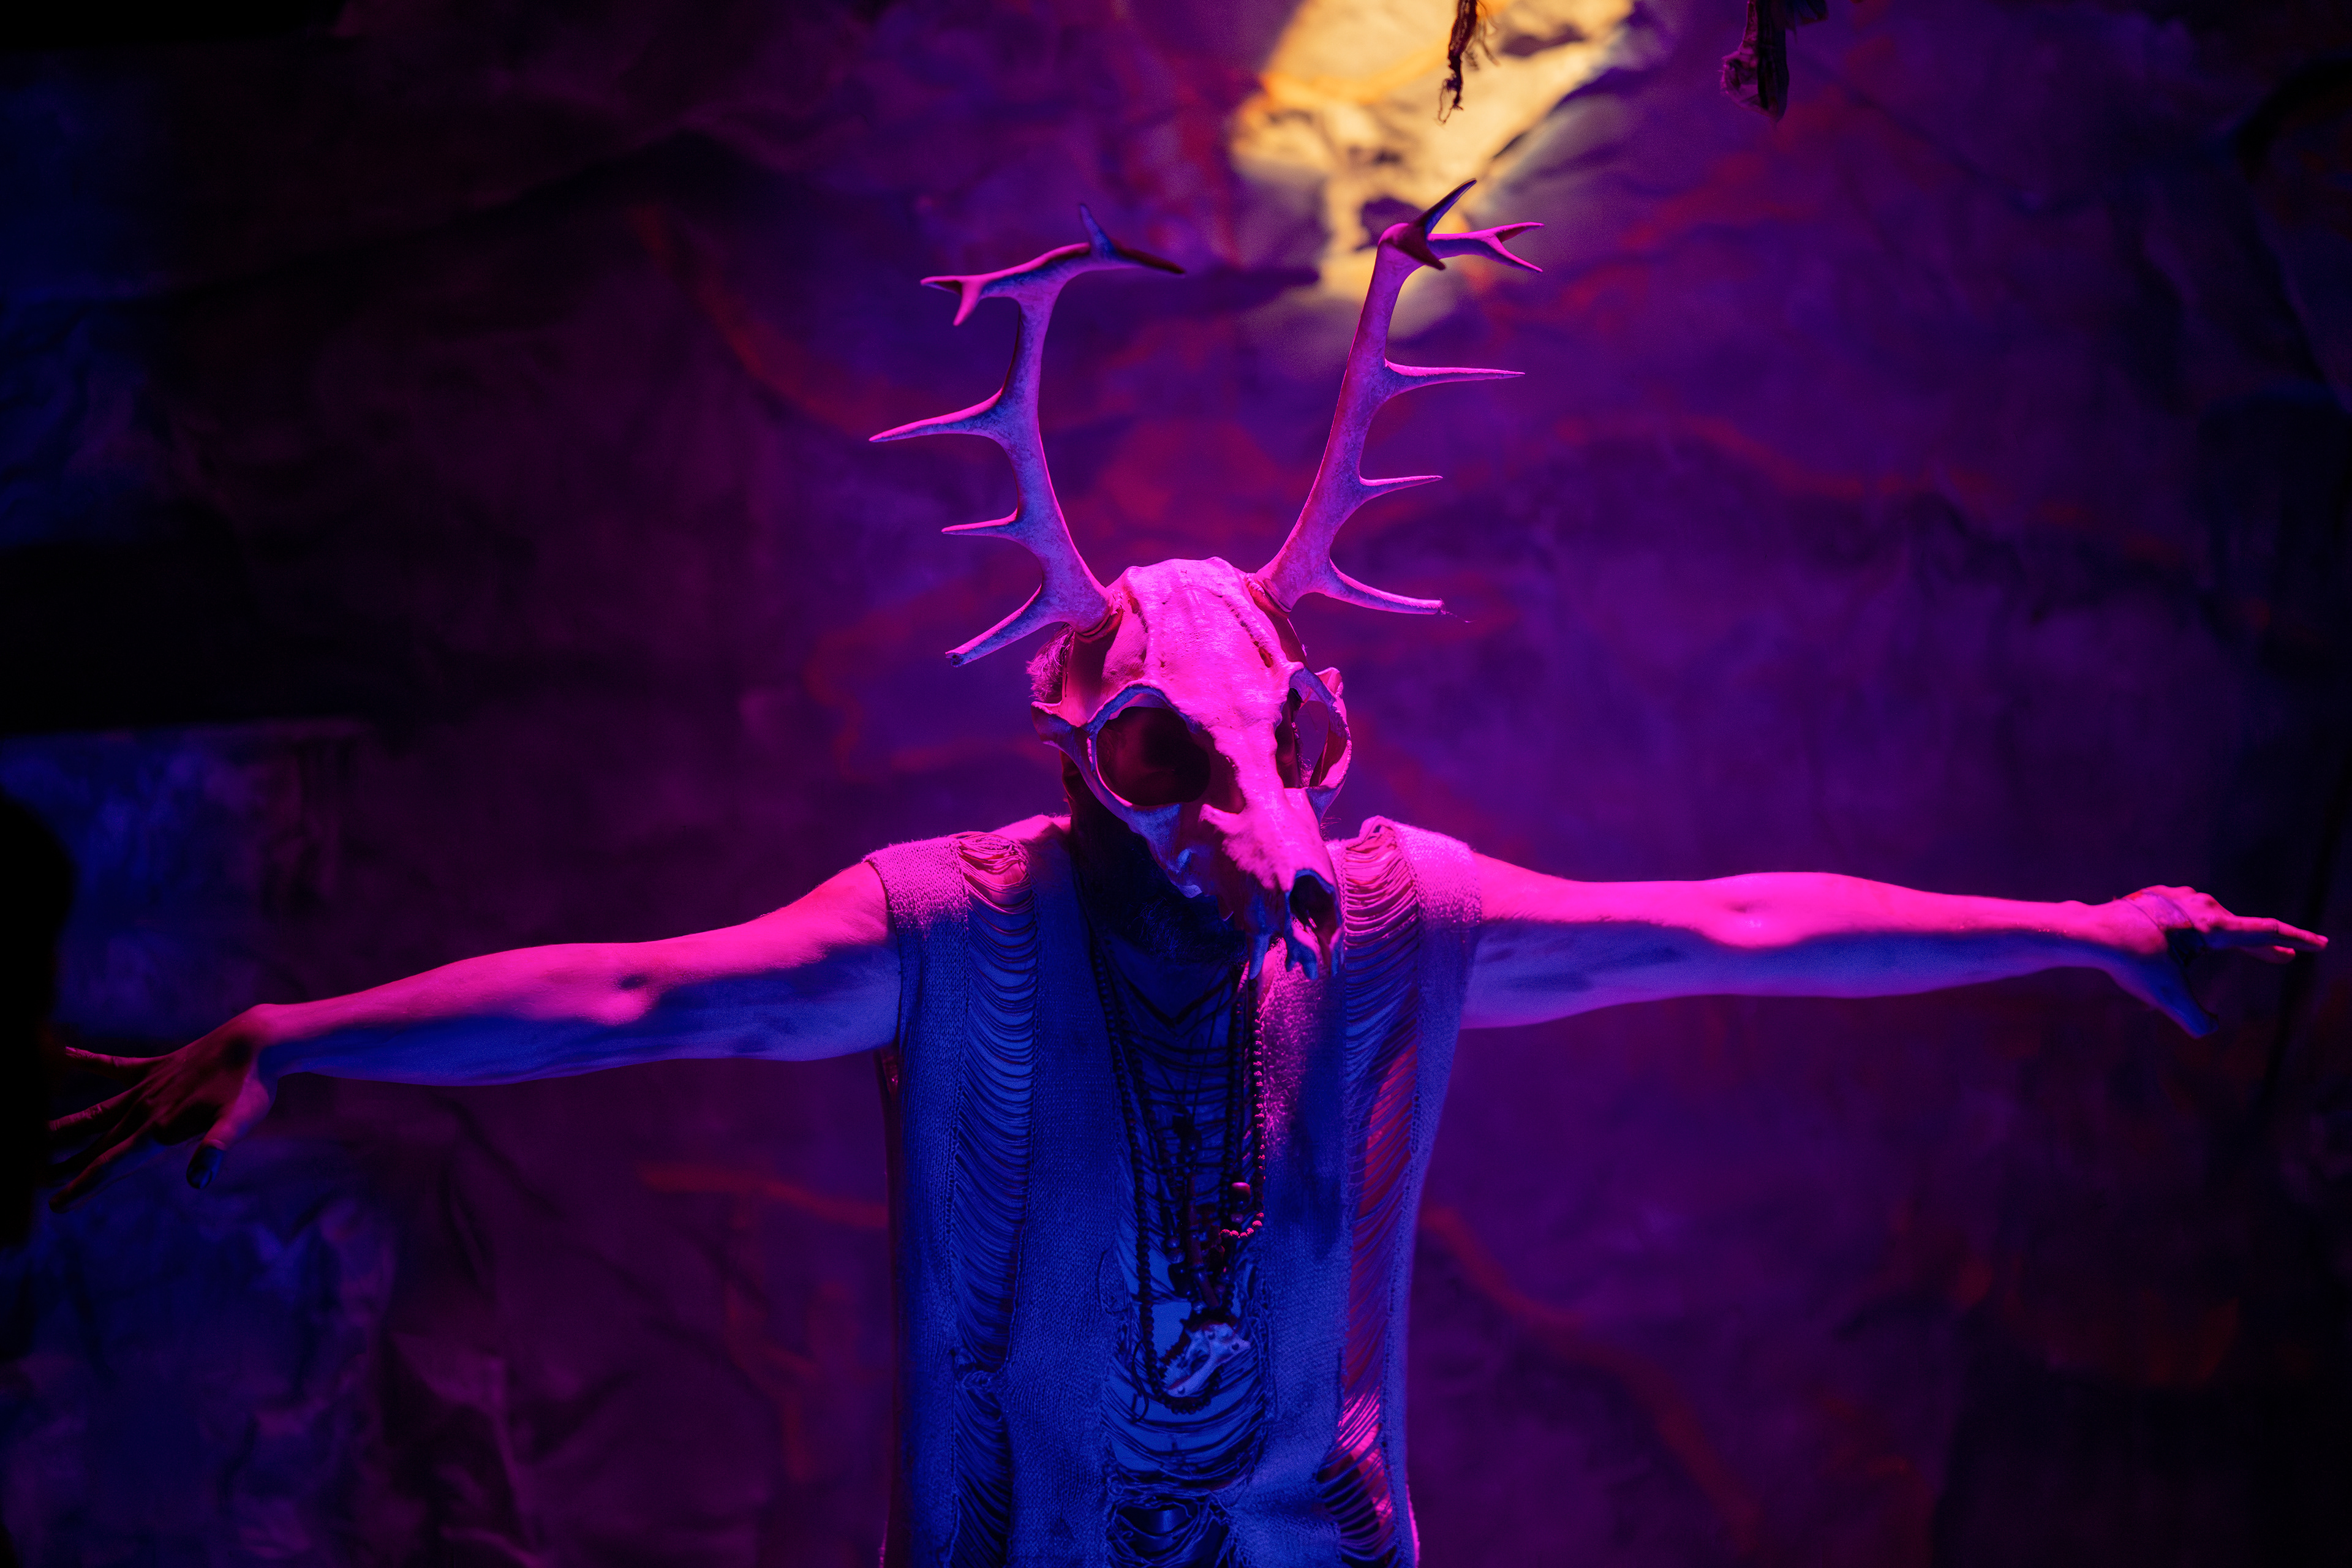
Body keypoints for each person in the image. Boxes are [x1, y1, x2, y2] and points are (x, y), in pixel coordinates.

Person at [46, 195, 2327, 1568]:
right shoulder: (958, 924)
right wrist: (303, 1033)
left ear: (1319, 736)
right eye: (1172, 761)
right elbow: (649, 992)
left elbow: (1729, 922)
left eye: (1285, 755)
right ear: (1078, 739)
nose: (1255, 825)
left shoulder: (1393, 920)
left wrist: (2094, 936)